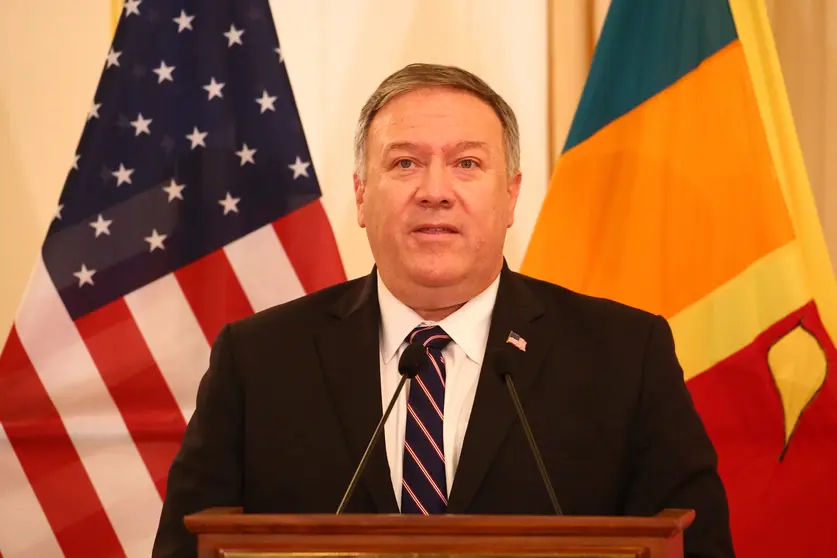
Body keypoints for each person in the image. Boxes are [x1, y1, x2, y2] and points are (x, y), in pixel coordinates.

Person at [152, 63, 735, 558]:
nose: (435, 190)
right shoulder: (258, 361)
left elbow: (695, 545)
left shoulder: (624, 356)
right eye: (405, 163)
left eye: (467, 164)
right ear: (360, 195)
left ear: (511, 195)